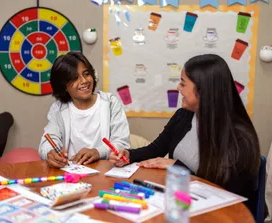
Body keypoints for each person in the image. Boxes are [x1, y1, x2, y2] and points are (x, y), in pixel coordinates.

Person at [109, 54, 260, 212]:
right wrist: (127, 155)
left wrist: (178, 168)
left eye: (183, 84)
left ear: (203, 90)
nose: (178, 88)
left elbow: (221, 191)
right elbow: (156, 149)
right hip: (183, 204)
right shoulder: (184, 115)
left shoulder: (240, 138)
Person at [39, 52, 130, 168]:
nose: (84, 81)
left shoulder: (110, 103)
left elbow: (122, 144)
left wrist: (98, 152)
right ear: (63, 86)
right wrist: (50, 153)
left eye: (86, 74)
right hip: (71, 176)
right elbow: (47, 142)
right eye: (75, 78)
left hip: (105, 174)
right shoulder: (58, 109)